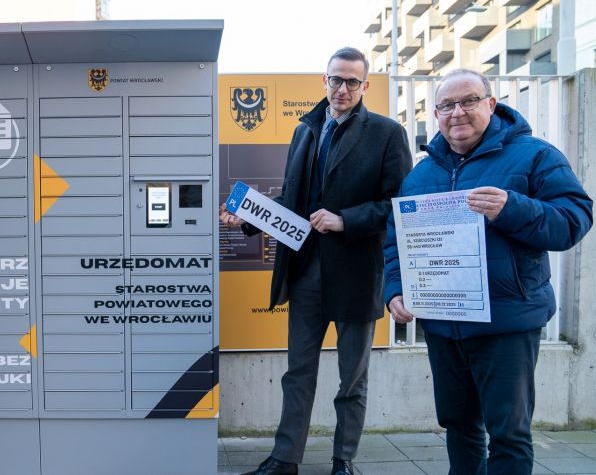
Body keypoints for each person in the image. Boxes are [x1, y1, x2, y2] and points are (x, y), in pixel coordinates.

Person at [384, 69, 592, 474]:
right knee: (458, 426)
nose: (457, 113)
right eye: (446, 105)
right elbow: (395, 242)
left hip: (507, 322)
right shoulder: (420, 175)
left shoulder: (535, 156)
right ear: (436, 114)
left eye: (469, 101)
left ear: (491, 104)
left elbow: (573, 220)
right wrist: (395, 289)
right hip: (444, 325)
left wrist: (512, 208)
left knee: (508, 434)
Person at [221, 47, 413, 475]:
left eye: (352, 81)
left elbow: (399, 204)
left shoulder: (387, 133)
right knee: (298, 373)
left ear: (365, 85)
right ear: (323, 81)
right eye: (335, 79)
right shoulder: (305, 130)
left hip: (357, 275)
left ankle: (343, 461)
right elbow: (293, 199)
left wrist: (346, 220)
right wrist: (248, 218)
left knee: (352, 379)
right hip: (305, 271)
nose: (342, 88)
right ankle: (284, 459)